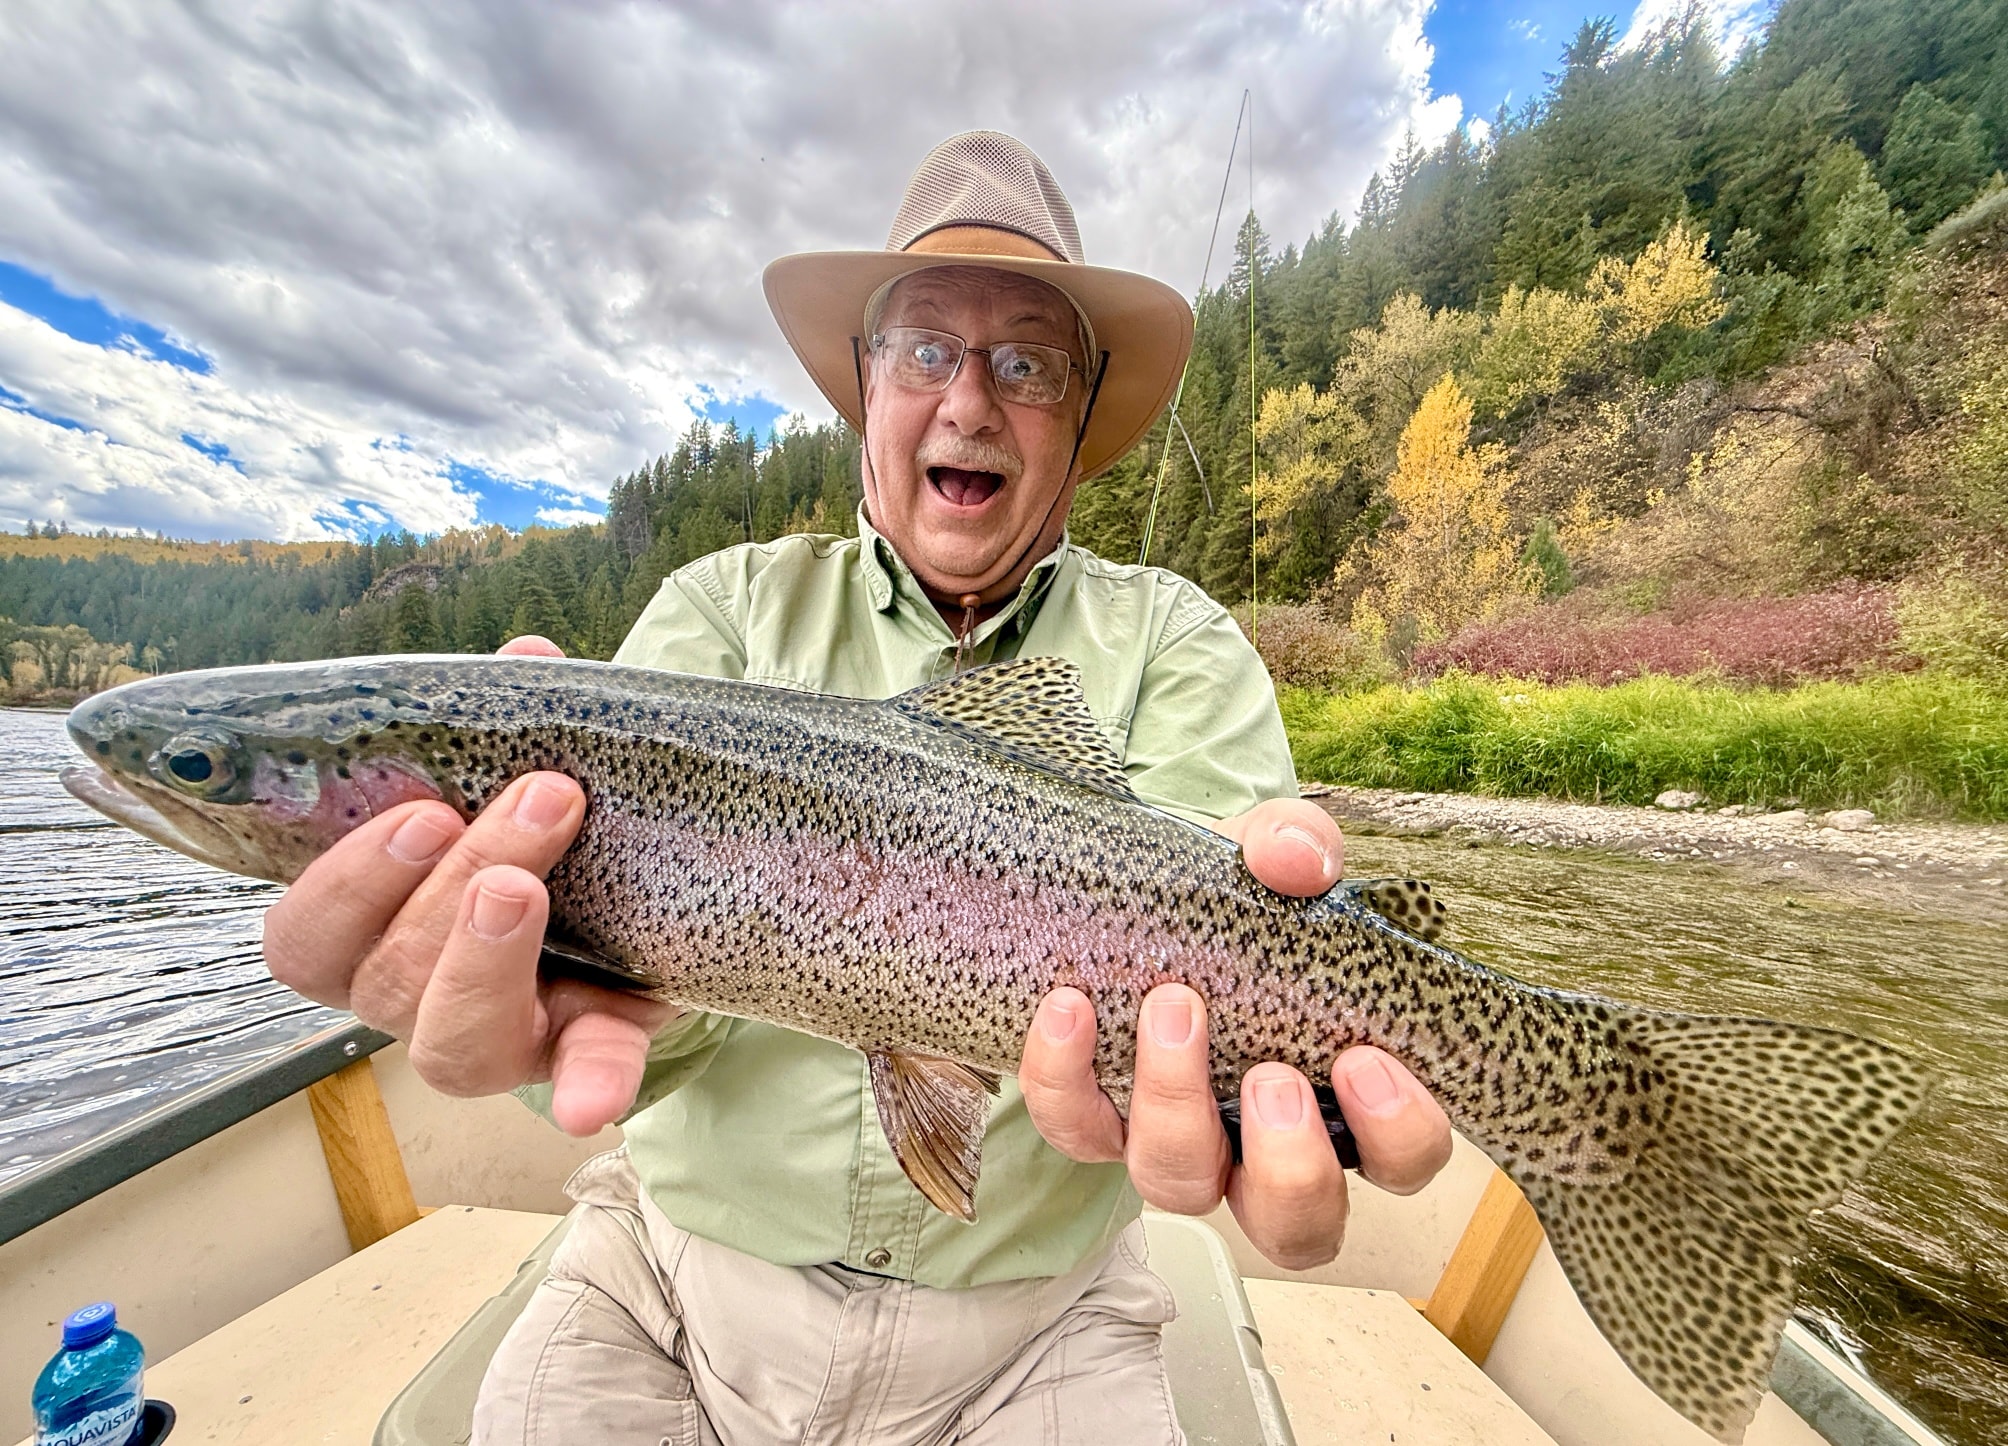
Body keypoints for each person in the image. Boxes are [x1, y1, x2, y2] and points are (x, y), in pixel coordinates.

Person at [262, 132, 1452, 1444]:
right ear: (864, 386)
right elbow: (606, 1046)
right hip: (667, 1284)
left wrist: (1314, 1078)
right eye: (925, 348)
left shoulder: (1178, 643)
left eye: (1028, 362)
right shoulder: (718, 618)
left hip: (1044, 1322)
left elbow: (1236, 894)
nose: (970, 399)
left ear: (1079, 413)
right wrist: (535, 1011)